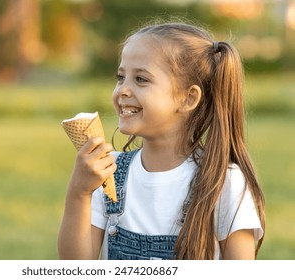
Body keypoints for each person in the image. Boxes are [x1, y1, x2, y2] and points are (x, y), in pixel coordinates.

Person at [58, 22, 265, 260]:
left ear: (188, 99)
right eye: (121, 77)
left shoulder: (223, 182)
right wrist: (79, 192)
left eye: (141, 79)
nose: (123, 90)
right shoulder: (108, 173)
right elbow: (75, 267)